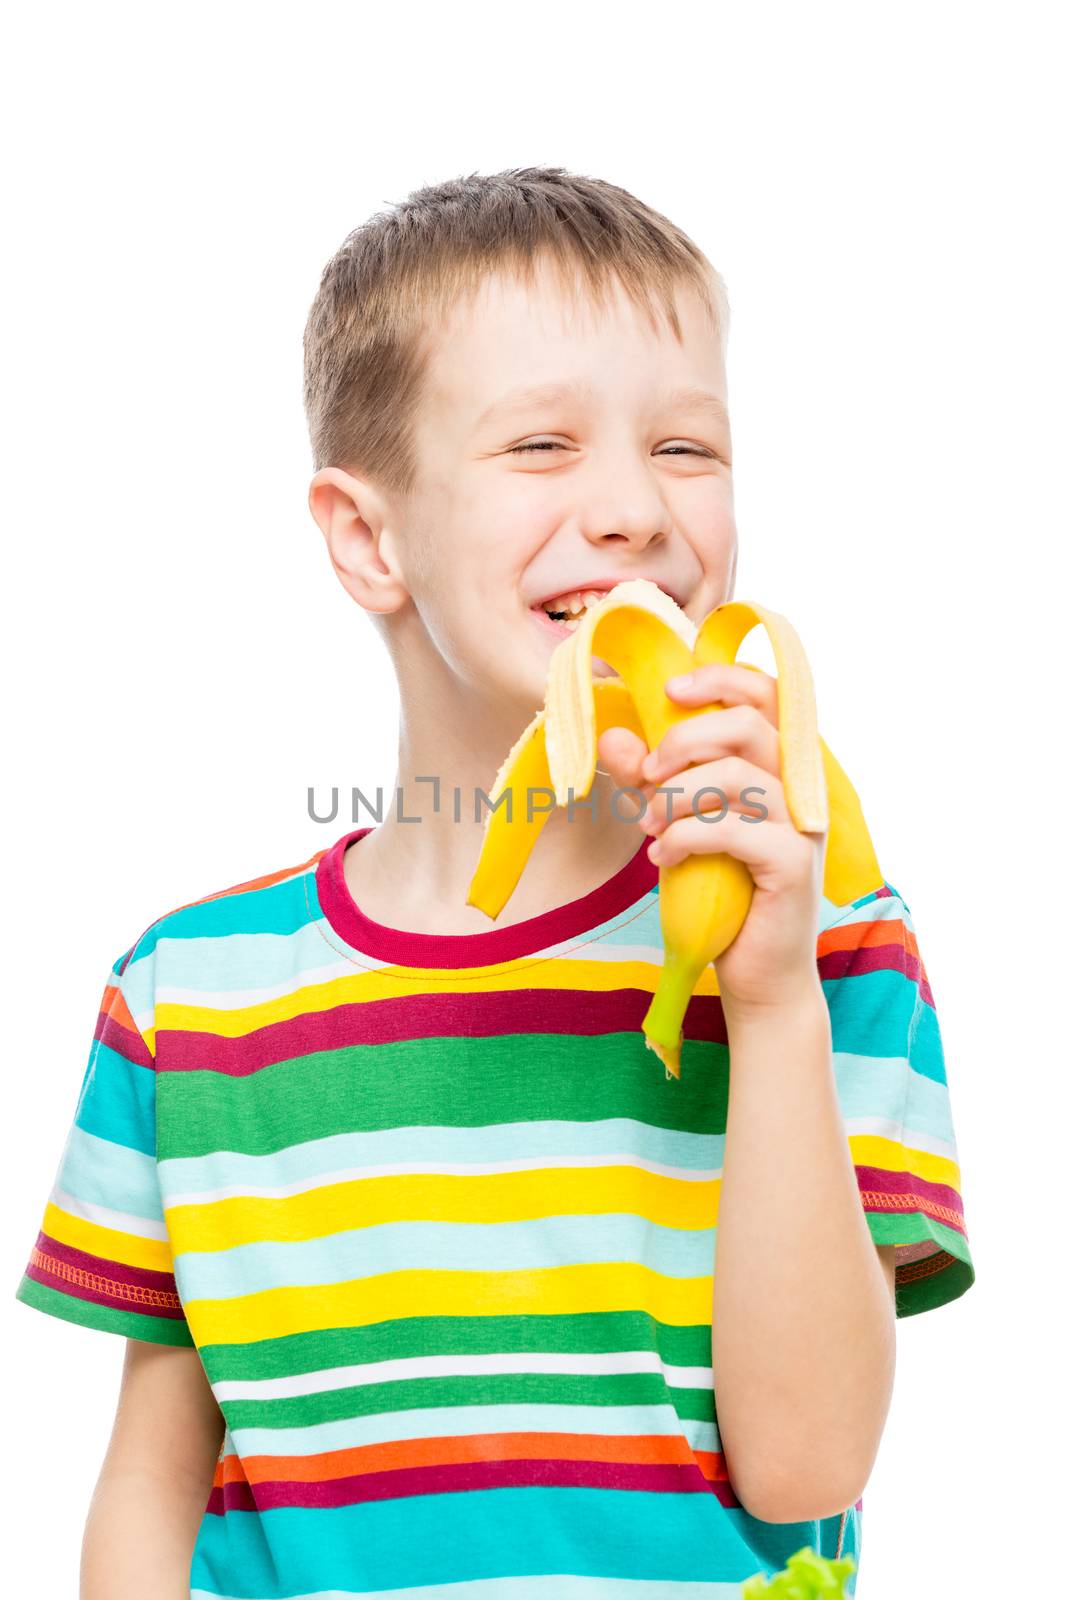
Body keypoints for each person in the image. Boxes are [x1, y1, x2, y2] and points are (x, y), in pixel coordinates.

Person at [15, 166, 974, 1599]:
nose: (638, 509)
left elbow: (811, 1467)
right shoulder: (189, 998)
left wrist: (769, 1009)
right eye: (542, 444)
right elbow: (151, 1481)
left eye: (687, 448)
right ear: (368, 537)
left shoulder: (829, 941)